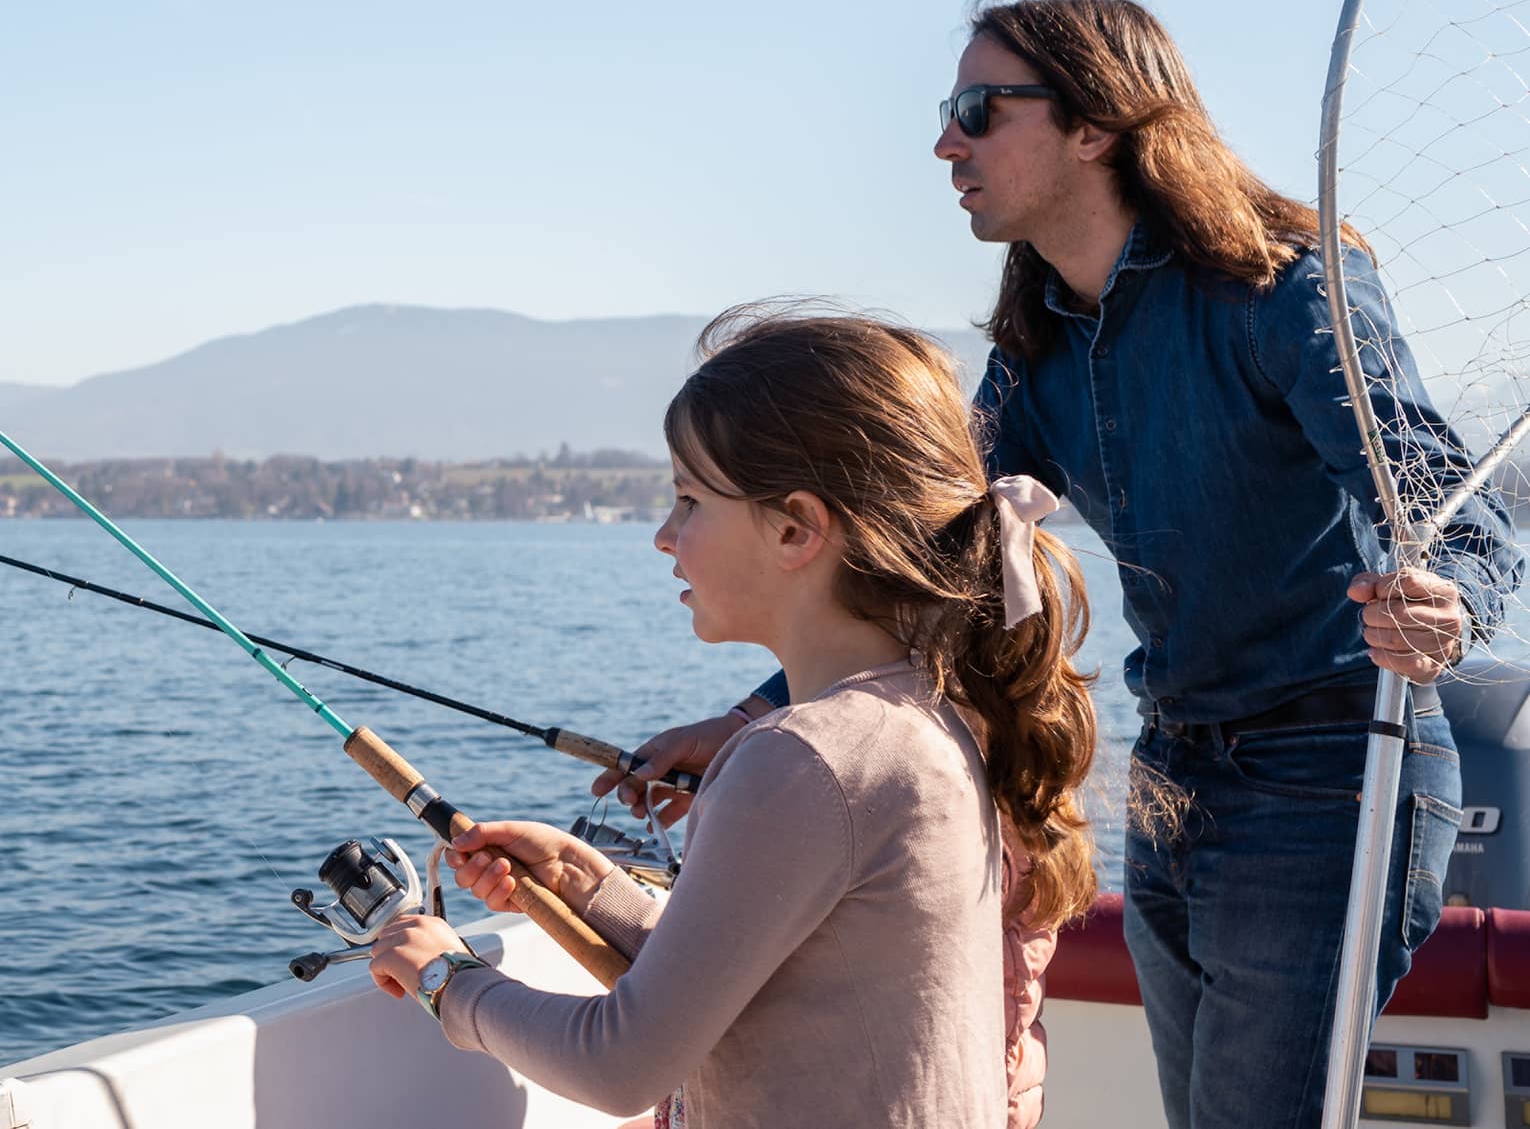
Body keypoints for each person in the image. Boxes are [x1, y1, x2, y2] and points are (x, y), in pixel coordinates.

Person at [599, 0, 1522, 1129]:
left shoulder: (1285, 290)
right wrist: (751, 719)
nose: (946, 140)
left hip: (1333, 780)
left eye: (981, 110)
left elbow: (1460, 516)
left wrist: (1450, 607)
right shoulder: (1038, 340)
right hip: (1178, 779)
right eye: (951, 110)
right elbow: (939, 563)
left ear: (1097, 123)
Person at [369, 307, 1098, 1129]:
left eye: (688, 500)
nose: (663, 535)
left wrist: (449, 981)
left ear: (795, 528)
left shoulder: (801, 759)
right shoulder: (929, 718)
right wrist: (593, 889)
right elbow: (789, 975)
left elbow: (621, 1065)